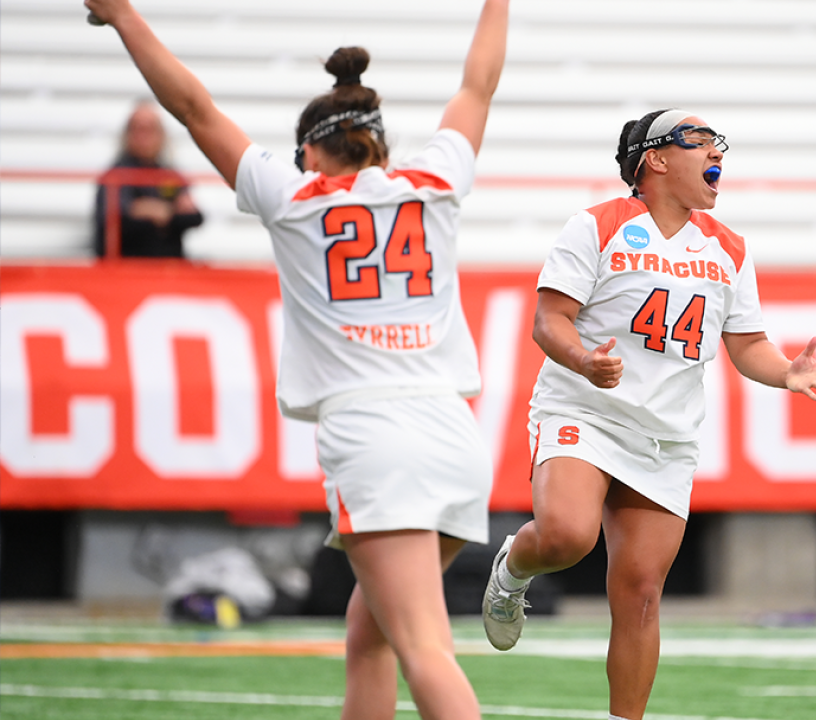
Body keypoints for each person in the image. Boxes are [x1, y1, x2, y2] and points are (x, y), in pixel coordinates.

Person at [85, 1, 510, 718]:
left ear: (311, 153)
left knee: (423, 647)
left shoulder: (294, 196)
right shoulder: (435, 181)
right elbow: (478, 84)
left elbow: (192, 108)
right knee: (370, 635)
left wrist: (124, 15)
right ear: (379, 145)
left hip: (374, 438)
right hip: (453, 433)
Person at [482, 108, 816, 720]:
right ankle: (513, 568)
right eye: (698, 141)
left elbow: (747, 346)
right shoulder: (596, 226)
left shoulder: (729, 247)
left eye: (717, 143)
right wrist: (583, 360)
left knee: (641, 596)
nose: (717, 153)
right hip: (585, 409)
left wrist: (787, 371)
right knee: (567, 536)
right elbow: (549, 320)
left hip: (665, 436)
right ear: (654, 158)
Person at [93, 100, 203, 258]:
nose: (144, 136)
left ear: (161, 134)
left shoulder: (169, 175)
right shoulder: (115, 177)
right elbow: (112, 220)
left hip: (168, 266)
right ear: (127, 134)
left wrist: (150, 210)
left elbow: (194, 216)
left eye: (151, 129)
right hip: (127, 266)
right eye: (138, 128)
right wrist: (166, 213)